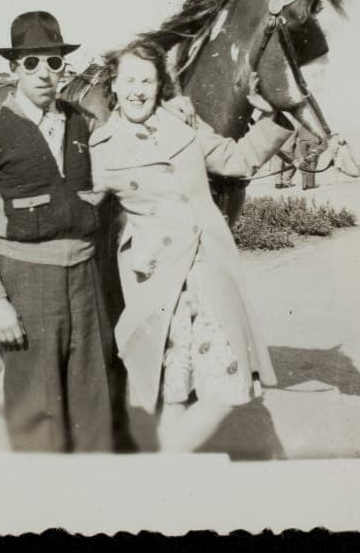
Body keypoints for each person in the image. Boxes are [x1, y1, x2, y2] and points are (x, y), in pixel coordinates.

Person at [83, 38, 295, 452]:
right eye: (130, 80)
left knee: (226, 386)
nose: (138, 90)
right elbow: (84, 208)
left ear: (160, 85)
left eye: (147, 81)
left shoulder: (185, 125)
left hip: (207, 269)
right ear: (114, 84)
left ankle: (163, 470)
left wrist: (273, 118)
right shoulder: (102, 147)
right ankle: (169, 477)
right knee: (173, 391)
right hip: (157, 278)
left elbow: (238, 159)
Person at [0, 11, 116, 453]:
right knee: (35, 415)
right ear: (14, 69)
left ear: (64, 68)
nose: (44, 73)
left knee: (94, 410)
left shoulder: (86, 124)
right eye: (31, 63)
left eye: (54, 62)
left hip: (85, 282)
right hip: (26, 281)